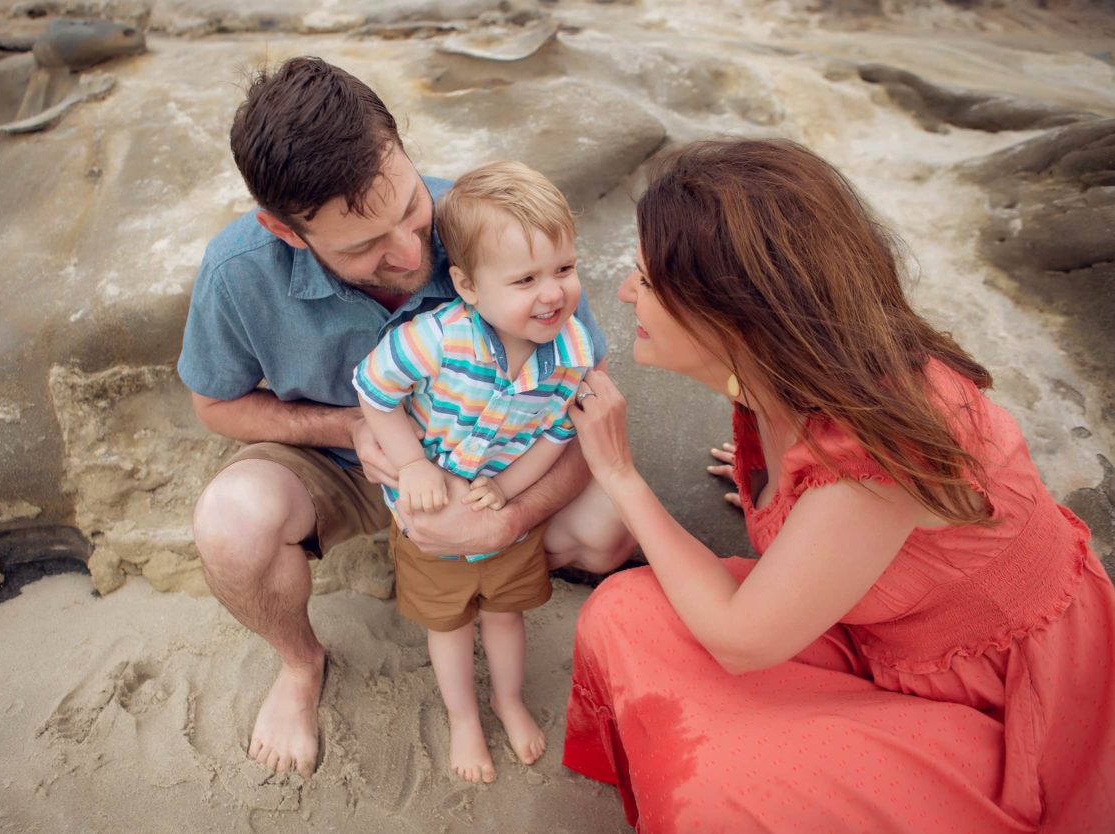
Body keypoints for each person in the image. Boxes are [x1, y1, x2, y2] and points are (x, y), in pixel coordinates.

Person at [561, 138, 1115, 832]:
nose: (624, 290)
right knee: (625, 613)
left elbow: (742, 640)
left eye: (645, 278)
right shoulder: (791, 372)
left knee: (718, 789)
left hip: (998, 698)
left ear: (732, 316)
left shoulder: (881, 446)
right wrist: (794, 506)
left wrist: (621, 477)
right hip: (884, 638)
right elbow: (834, 499)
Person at [177, 57, 633, 778]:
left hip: (494, 461)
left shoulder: (485, 225)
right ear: (286, 230)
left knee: (610, 529)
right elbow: (215, 405)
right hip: (338, 463)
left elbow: (586, 402)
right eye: (363, 246)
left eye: (412, 209)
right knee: (231, 526)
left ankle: (462, 570)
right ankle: (301, 667)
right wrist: (348, 428)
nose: (410, 252)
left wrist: (506, 520)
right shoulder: (238, 271)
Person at [353, 161, 597, 783]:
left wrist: (509, 490)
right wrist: (410, 464)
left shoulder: (572, 353)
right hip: (430, 514)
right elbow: (373, 388)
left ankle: (507, 700)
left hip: (503, 518)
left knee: (505, 612)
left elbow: (556, 432)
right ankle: (463, 718)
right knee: (450, 623)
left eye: (564, 270)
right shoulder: (436, 339)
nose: (552, 294)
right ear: (466, 285)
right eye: (525, 279)